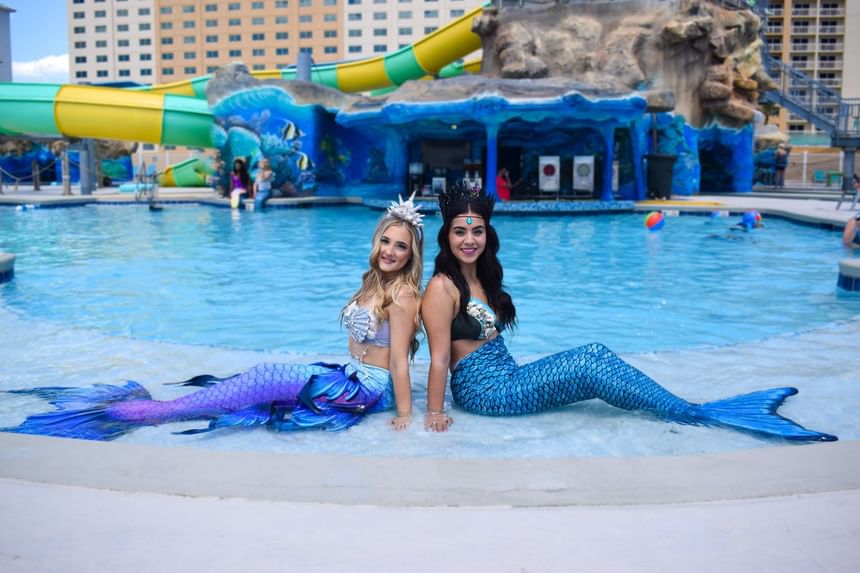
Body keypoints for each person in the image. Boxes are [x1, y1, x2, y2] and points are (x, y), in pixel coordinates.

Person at [421, 185, 836, 442]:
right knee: (591, 361)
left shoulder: (485, 277)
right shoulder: (442, 287)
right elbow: (439, 357)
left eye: (476, 231)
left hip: (507, 377)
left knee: (595, 356)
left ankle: (689, 408)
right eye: (460, 231)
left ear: (487, 235)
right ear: (447, 236)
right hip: (486, 394)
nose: (469, 239)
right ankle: (693, 412)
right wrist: (436, 412)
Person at [3, 196, 425, 440]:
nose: (389, 250)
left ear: (411, 254)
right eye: (385, 241)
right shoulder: (372, 281)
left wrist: (404, 415)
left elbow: (399, 363)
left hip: (365, 386)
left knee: (270, 376)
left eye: (400, 246)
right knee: (261, 381)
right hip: (345, 371)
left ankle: (148, 413)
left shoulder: (404, 293)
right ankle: (156, 409)